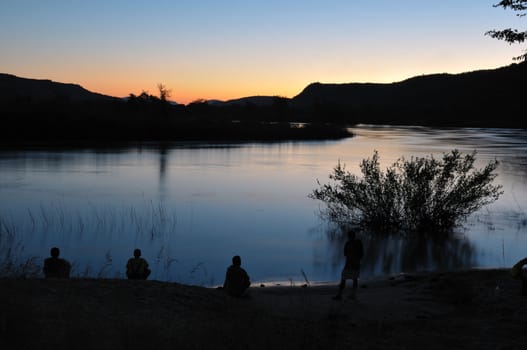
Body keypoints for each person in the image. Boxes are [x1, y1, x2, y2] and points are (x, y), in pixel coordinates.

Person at [333, 229, 364, 300]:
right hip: (350, 264)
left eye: (350, 236)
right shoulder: (349, 243)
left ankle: (349, 295)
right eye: (350, 236)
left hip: (354, 264)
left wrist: (355, 258)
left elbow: (361, 254)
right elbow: (346, 254)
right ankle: (343, 295)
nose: (350, 237)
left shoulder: (356, 243)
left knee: (351, 278)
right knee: (347, 278)